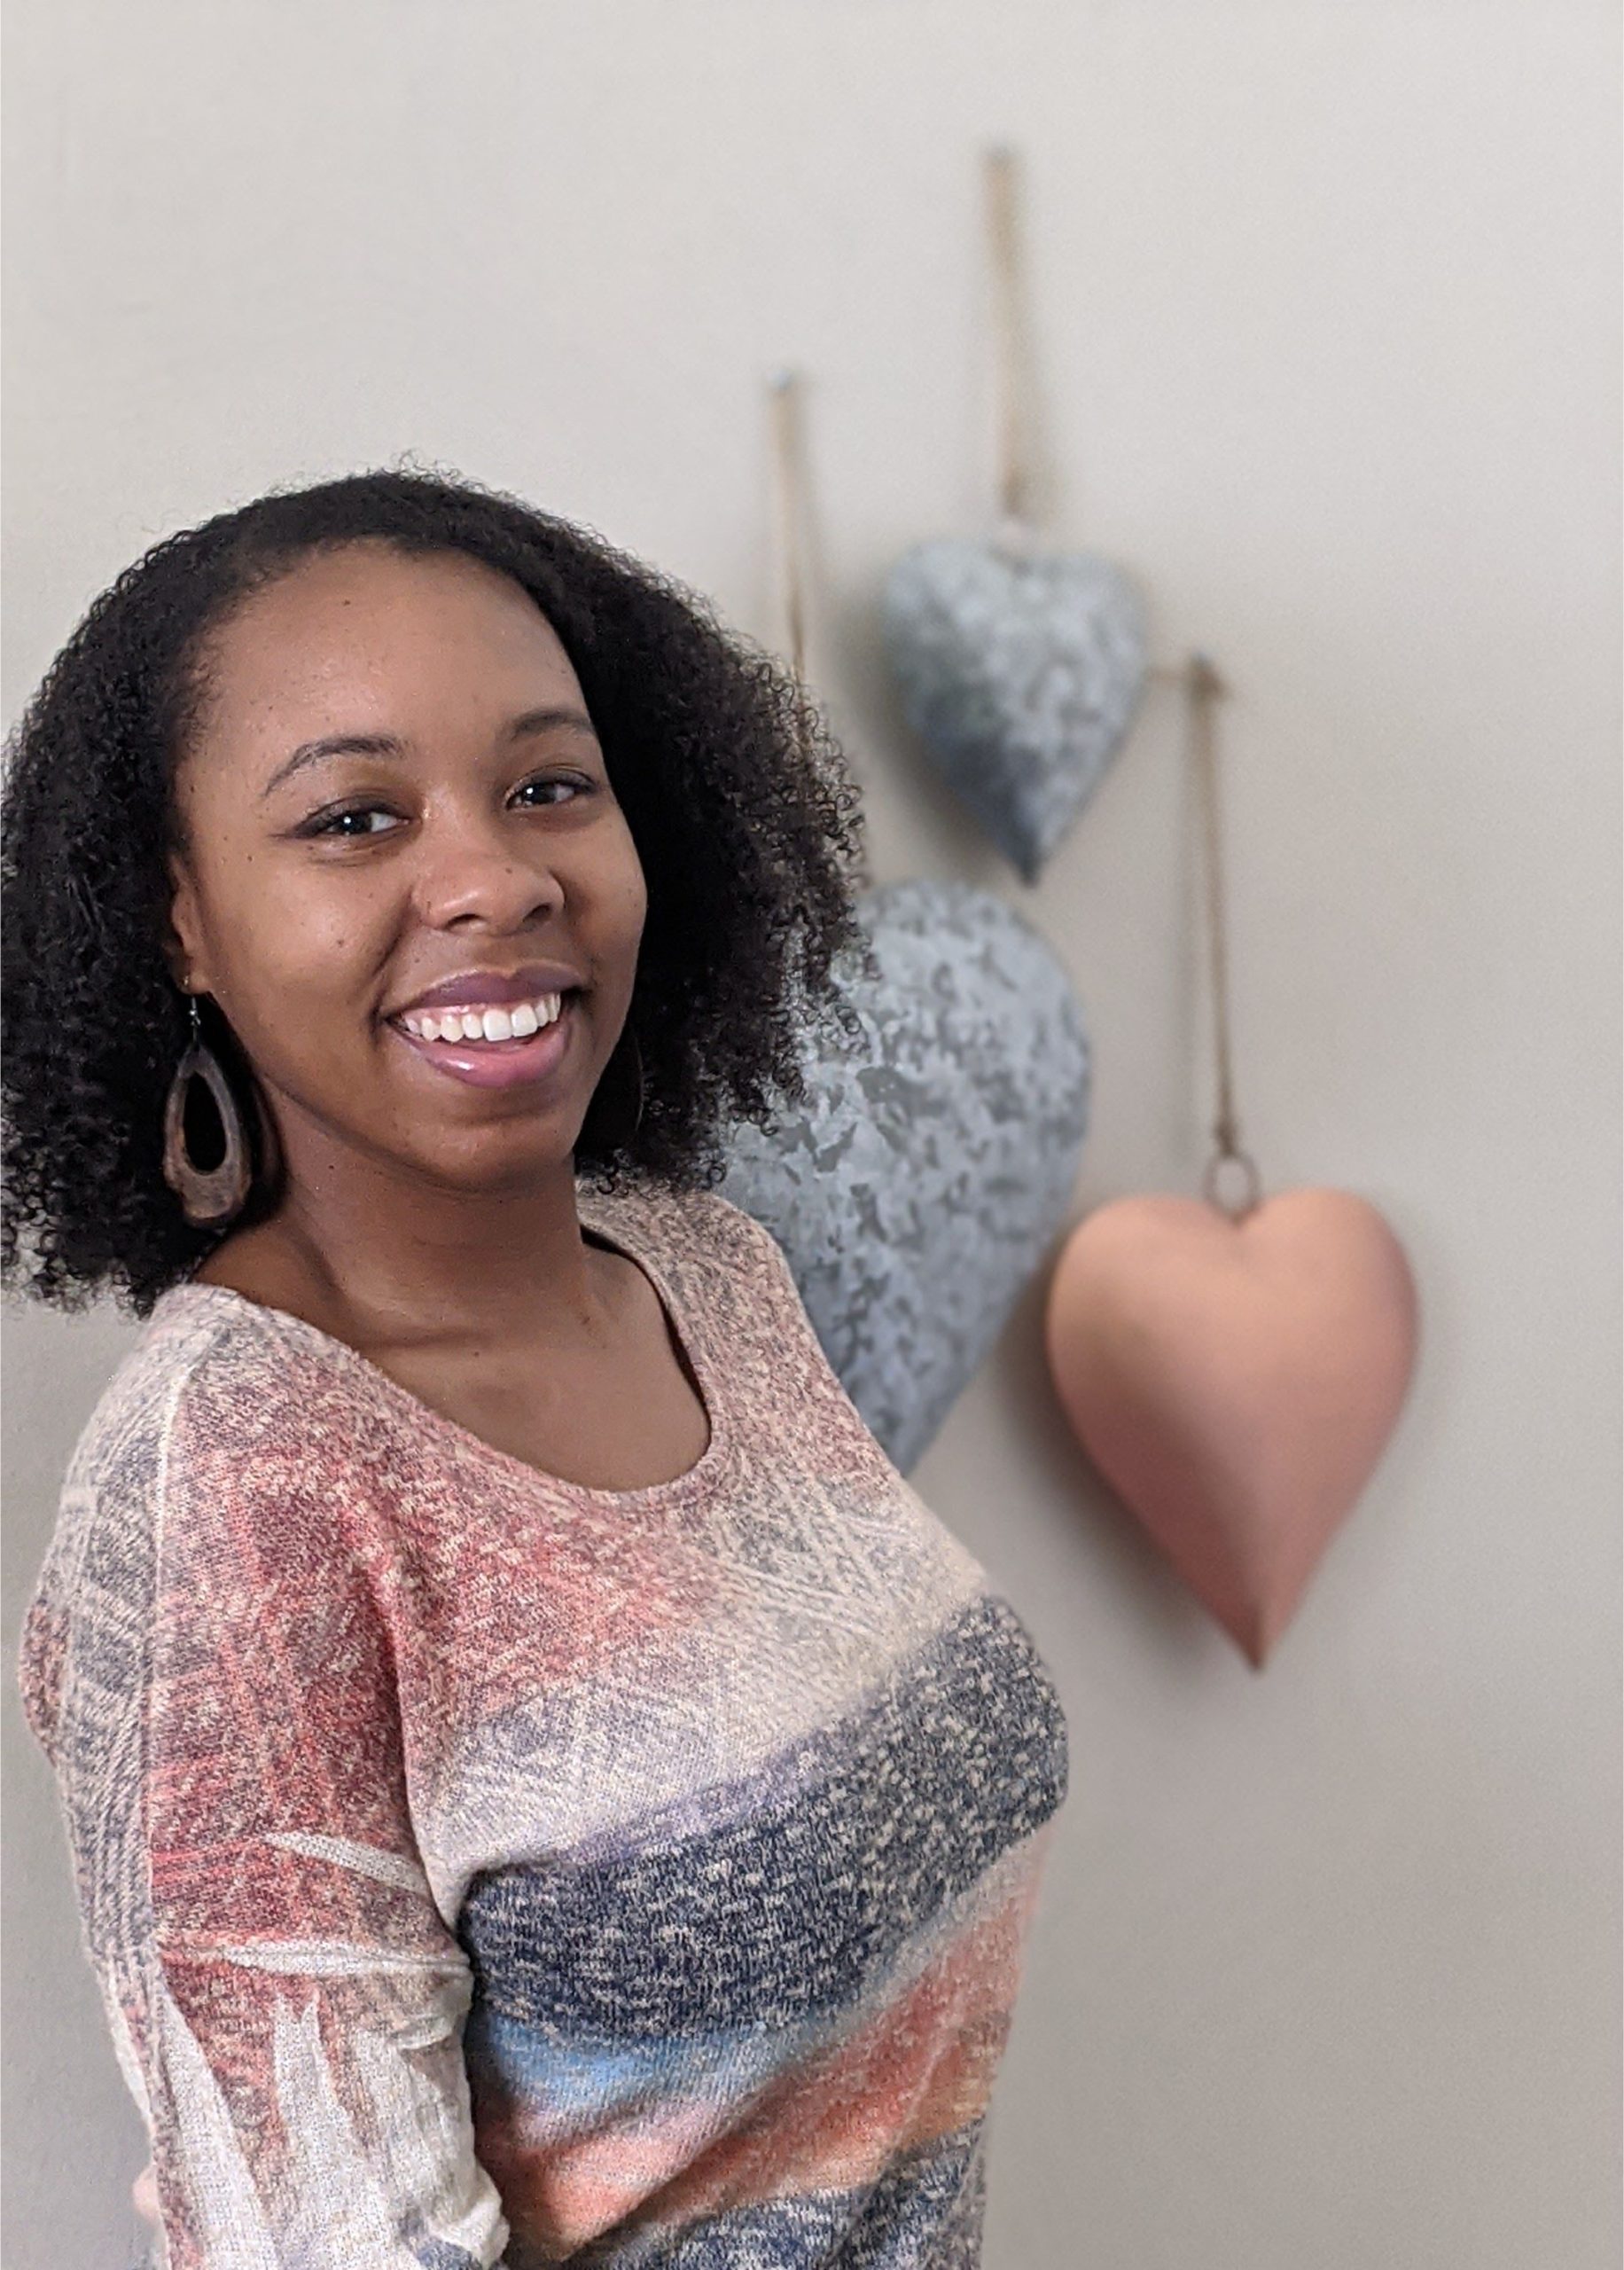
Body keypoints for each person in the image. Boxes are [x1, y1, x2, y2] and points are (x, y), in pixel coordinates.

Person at [4, 466, 1071, 2268]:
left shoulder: (706, 1272)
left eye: (545, 784)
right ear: (179, 915)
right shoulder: (236, 1479)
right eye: (353, 817)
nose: (493, 874)